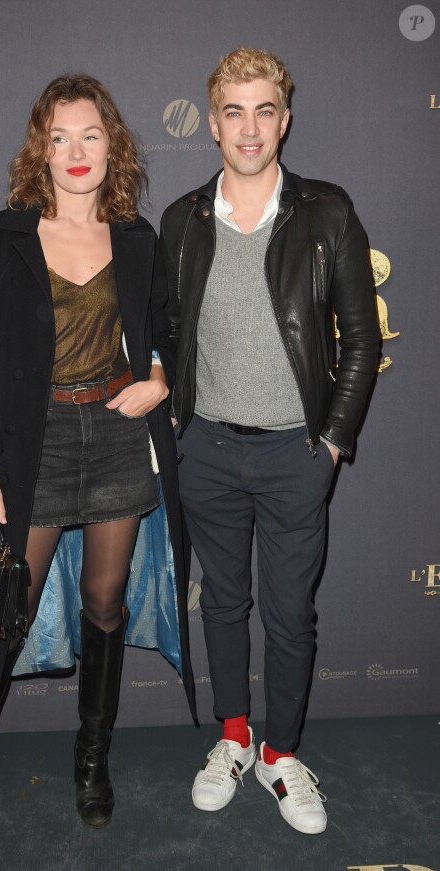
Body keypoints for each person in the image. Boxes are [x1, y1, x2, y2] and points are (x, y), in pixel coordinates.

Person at [0, 73, 195, 853]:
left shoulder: (138, 238)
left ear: (111, 144)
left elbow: (169, 334)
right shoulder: (6, 235)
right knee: (2, 615)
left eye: (91, 134)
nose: (76, 151)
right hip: (34, 440)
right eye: (60, 137)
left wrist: (158, 380)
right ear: (40, 149)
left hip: (117, 432)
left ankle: (92, 757)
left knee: (106, 601)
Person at [160, 47, 380, 835]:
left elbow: (360, 338)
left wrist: (331, 443)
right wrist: (180, 423)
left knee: (289, 614)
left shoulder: (327, 212)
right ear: (212, 121)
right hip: (208, 451)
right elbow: (169, 332)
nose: (248, 129)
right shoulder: (182, 219)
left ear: (284, 120)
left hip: (295, 452)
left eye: (264, 111)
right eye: (233, 111)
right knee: (223, 602)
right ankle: (233, 737)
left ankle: (282, 754)